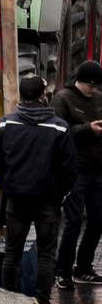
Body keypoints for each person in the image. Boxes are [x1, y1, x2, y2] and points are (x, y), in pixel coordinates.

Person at [0, 75, 75, 304]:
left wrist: (8, 186)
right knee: (47, 254)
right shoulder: (59, 127)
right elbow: (69, 169)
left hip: (17, 199)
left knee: (12, 252)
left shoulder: (5, 124)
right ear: (43, 96)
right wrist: (59, 193)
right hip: (47, 201)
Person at [53, 60, 102, 287]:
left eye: (96, 86)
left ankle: (83, 267)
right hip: (75, 171)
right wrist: (88, 129)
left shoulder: (99, 98)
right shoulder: (63, 99)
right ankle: (63, 271)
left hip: (98, 170)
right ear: (79, 82)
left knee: (97, 220)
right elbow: (59, 133)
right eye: (90, 86)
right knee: (73, 221)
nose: (93, 90)